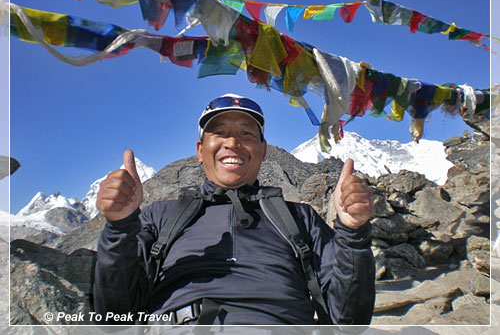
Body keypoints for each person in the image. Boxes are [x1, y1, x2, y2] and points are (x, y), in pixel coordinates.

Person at [93, 93, 375, 326]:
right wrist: (120, 225)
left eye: (245, 133)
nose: (232, 142)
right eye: (220, 132)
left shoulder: (301, 218)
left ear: (263, 150)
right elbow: (115, 318)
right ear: (200, 150)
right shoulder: (160, 216)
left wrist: (353, 233)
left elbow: (349, 320)